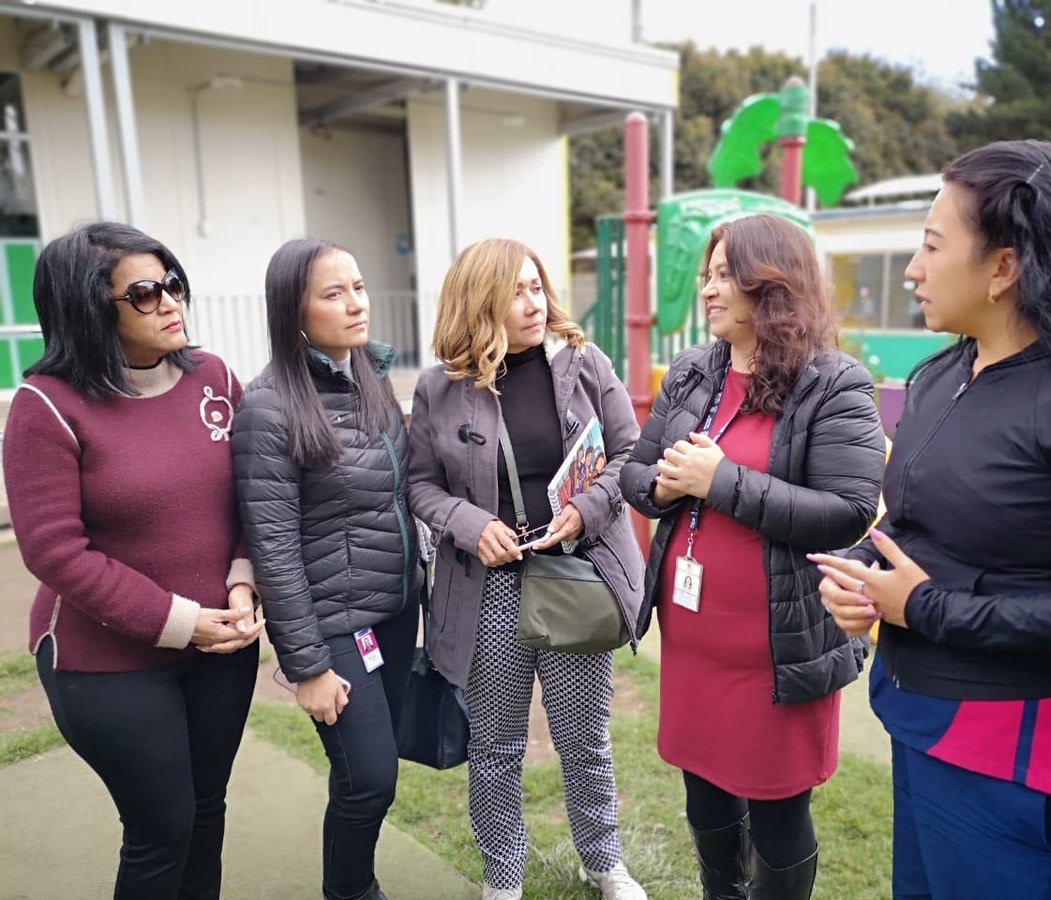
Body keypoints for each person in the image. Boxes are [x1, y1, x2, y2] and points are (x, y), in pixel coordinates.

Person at [811, 140, 1051, 899]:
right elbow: (919, 521)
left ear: (1004, 267)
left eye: (929, 246)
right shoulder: (946, 374)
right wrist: (868, 569)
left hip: (1031, 748)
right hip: (926, 719)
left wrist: (925, 607)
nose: (913, 270)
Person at [620, 214, 886, 900]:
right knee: (704, 791)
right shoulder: (691, 372)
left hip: (777, 648)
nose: (707, 290)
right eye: (706, 276)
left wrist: (721, 482)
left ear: (770, 284)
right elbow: (634, 474)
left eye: (723, 276)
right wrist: (662, 484)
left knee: (776, 807)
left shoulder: (834, 382)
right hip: (694, 641)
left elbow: (847, 509)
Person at [2, 222, 263, 898]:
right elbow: (54, 551)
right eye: (144, 293)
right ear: (89, 307)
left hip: (221, 651)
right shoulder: (45, 407)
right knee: (162, 828)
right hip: (104, 664)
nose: (171, 302)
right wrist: (181, 620)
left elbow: (252, 498)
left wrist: (241, 586)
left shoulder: (215, 379)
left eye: (171, 283)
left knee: (207, 812)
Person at [407, 238, 647, 900]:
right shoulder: (439, 388)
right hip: (487, 588)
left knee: (583, 739)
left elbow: (630, 452)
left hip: (574, 572)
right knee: (495, 746)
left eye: (537, 287)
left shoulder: (583, 362)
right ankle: (503, 877)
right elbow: (420, 485)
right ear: (479, 302)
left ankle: (602, 863)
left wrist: (591, 507)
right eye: (515, 291)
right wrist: (468, 524)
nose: (533, 302)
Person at [232, 239, 421, 900]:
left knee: (367, 774)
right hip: (333, 626)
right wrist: (307, 666)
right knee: (370, 778)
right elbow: (273, 548)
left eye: (360, 287)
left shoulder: (369, 376)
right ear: (295, 310)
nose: (356, 303)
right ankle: (350, 891)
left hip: (394, 614)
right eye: (334, 293)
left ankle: (352, 882)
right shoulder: (268, 408)